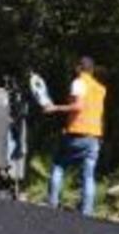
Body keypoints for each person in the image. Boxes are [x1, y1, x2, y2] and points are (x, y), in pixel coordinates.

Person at [44, 56, 107, 216]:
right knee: (88, 176)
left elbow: (78, 106)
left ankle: (52, 204)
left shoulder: (79, 82)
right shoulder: (100, 88)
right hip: (94, 136)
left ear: (79, 68)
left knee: (58, 165)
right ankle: (87, 212)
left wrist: (55, 108)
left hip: (77, 134)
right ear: (92, 70)